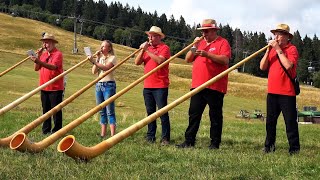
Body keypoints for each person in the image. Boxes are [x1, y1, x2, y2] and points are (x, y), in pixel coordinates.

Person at [176, 19, 231, 149]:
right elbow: (188, 59)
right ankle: (189, 141)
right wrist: (194, 46)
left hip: (215, 85)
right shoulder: (199, 43)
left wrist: (207, 54)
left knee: (215, 116)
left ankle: (214, 143)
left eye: (206, 31)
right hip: (197, 85)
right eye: (202, 31)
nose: (204, 34)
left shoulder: (222, 42)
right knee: (194, 114)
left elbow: (225, 60)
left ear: (213, 31)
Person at [260, 24, 300, 155]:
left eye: (280, 34)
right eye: (275, 34)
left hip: (287, 93)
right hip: (272, 92)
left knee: (290, 122)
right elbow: (262, 67)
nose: (276, 37)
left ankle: (294, 149)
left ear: (288, 37)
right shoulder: (271, 50)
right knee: (270, 122)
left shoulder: (292, 49)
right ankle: (269, 147)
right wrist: (267, 50)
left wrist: (277, 49)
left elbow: (288, 66)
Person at [134, 26, 171, 145]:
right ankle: (151, 136)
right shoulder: (147, 49)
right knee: (150, 112)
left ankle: (165, 138)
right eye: (149, 35)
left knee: (162, 112)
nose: (150, 38)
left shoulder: (164, 48)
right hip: (148, 85)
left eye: (153, 35)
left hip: (160, 85)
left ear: (159, 37)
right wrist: (142, 50)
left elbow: (160, 61)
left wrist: (147, 51)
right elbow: (137, 62)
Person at [29, 33, 64, 135]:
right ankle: (46, 130)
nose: (45, 45)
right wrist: (38, 57)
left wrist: (39, 61)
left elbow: (53, 67)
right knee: (45, 110)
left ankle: (57, 131)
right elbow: (36, 69)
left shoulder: (58, 54)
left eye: (47, 42)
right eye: (44, 43)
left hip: (55, 87)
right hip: (44, 86)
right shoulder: (43, 55)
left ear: (53, 43)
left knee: (56, 111)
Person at [88, 40, 117, 138]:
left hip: (109, 85)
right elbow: (93, 71)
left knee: (110, 110)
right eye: (101, 46)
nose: (101, 48)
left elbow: (106, 68)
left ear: (109, 48)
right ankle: (103, 134)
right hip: (99, 84)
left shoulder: (112, 58)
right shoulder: (99, 58)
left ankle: (113, 135)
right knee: (101, 110)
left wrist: (94, 61)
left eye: (104, 46)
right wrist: (97, 59)